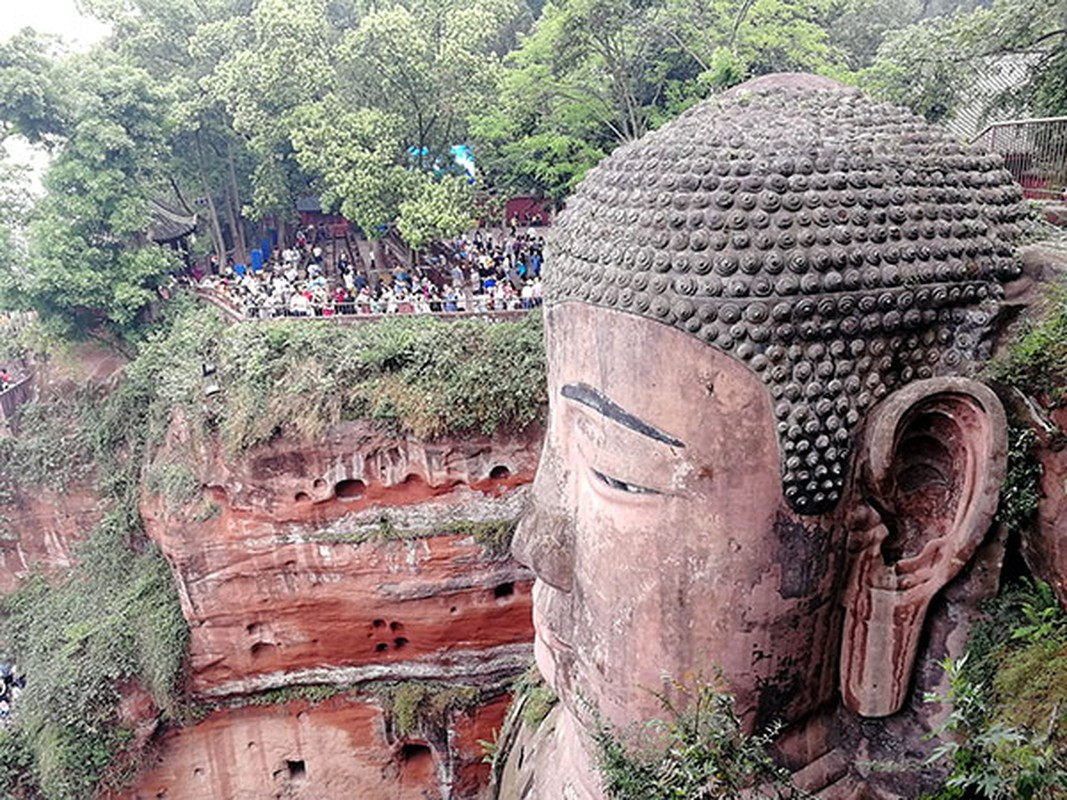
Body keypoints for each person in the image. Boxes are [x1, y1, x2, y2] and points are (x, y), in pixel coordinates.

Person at [501, 74, 1028, 799]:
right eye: (556, 452)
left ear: (916, 514)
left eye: (617, 473)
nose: (534, 545)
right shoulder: (544, 739)